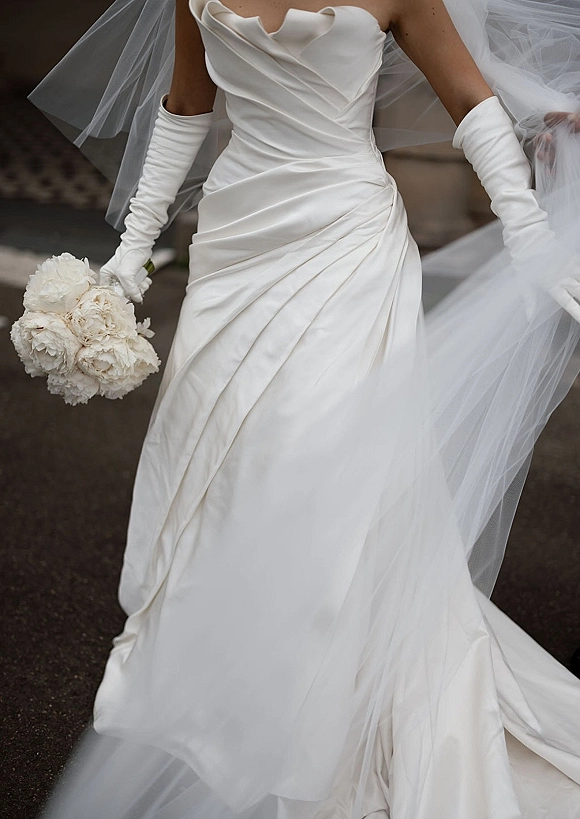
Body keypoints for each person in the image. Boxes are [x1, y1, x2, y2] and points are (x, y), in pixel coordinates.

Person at [32, 0, 580, 817]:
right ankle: (228, 680)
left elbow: (471, 102)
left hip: (348, 244)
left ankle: (318, 706)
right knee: (222, 455)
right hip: (237, 245)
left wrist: (528, 231)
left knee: (325, 467)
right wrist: (130, 255)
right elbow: (187, 105)